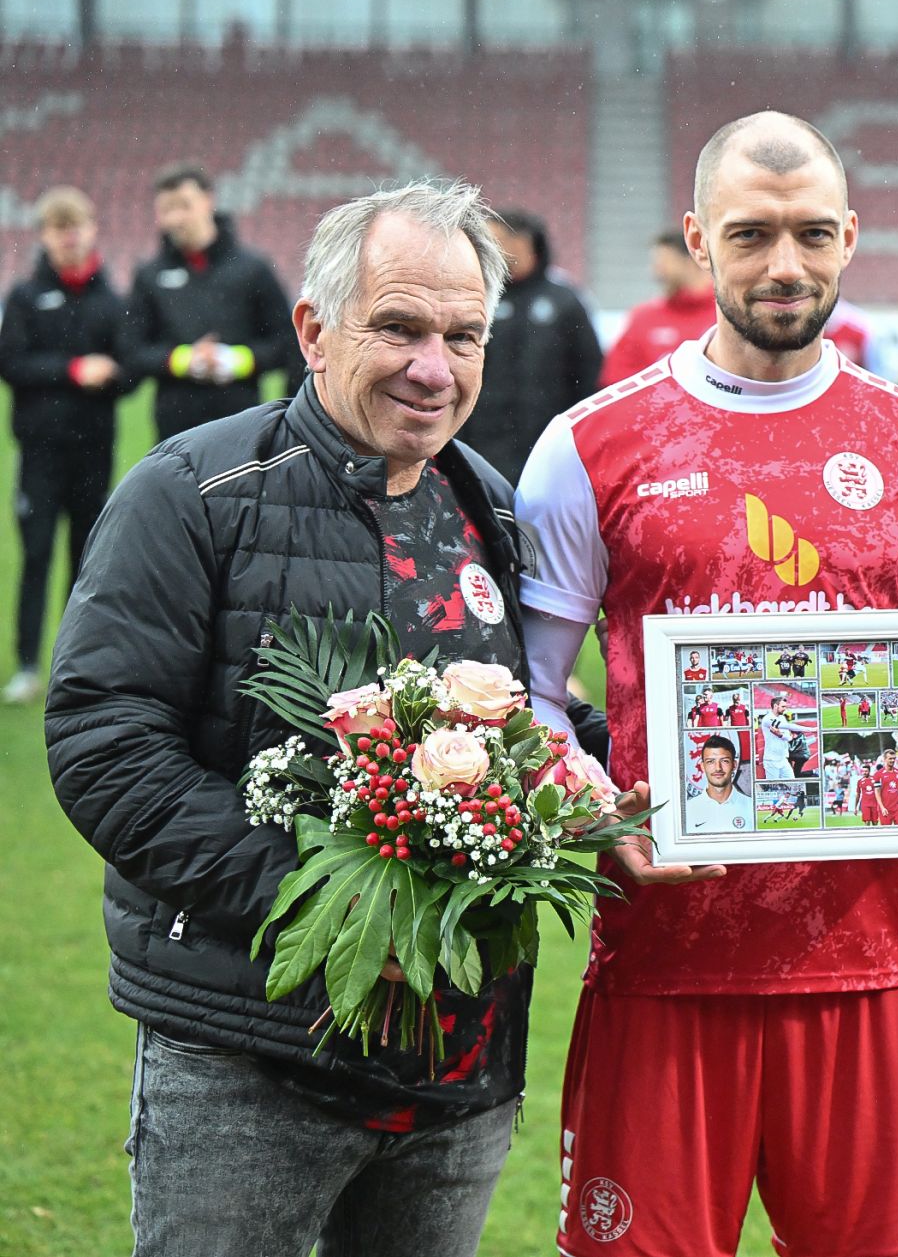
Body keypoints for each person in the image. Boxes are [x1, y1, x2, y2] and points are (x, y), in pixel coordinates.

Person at [512, 110, 898, 1257]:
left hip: (868, 961)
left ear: (850, 234)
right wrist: (583, 799)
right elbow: (529, 692)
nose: (782, 266)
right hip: (664, 962)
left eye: (807, 235)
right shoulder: (590, 445)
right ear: (700, 239)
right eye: (750, 236)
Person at [45, 181, 550, 1257]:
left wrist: (610, 777)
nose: (435, 367)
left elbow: (535, 709)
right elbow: (103, 740)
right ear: (315, 331)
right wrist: (332, 902)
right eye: (402, 328)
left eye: (465, 336)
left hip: (457, 1070)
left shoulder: (490, 503)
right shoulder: (192, 490)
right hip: (247, 1062)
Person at [0, 185, 127, 704]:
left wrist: (111, 373)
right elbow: (11, 364)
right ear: (45, 235)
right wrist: (75, 370)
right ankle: (27, 664)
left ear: (92, 229)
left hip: (93, 449)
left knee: (85, 560)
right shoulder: (26, 297)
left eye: (76, 226)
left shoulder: (111, 299)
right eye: (59, 228)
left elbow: (129, 368)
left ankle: (70, 666)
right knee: (35, 555)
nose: (69, 237)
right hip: (40, 450)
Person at [121, 163, 298, 441]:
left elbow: (286, 342)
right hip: (174, 429)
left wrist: (238, 360)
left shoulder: (253, 268)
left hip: (243, 424)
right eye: (167, 209)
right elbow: (132, 351)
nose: (176, 217)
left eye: (184, 205)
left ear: (208, 201)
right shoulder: (149, 275)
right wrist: (182, 360)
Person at [460, 209, 602, 481]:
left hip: (549, 449)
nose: (482, 248)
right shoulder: (475, 297)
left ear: (522, 242)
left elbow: (588, 375)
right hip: (482, 448)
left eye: (492, 239)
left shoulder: (565, 301)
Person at [598, 229, 716, 386]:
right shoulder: (643, 317)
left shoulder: (725, 314)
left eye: (664, 262)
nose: (656, 272)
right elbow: (616, 379)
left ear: (691, 259)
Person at [684, 735, 753, 833]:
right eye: (710, 761)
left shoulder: (751, 807)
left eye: (724, 761)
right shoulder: (688, 810)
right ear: (702, 766)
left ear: (734, 765)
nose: (718, 768)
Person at [871, 748, 898, 826]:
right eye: (890, 758)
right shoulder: (878, 774)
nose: (892, 760)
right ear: (885, 759)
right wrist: (882, 807)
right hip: (885, 808)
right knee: (886, 833)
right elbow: (877, 792)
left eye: (894, 758)